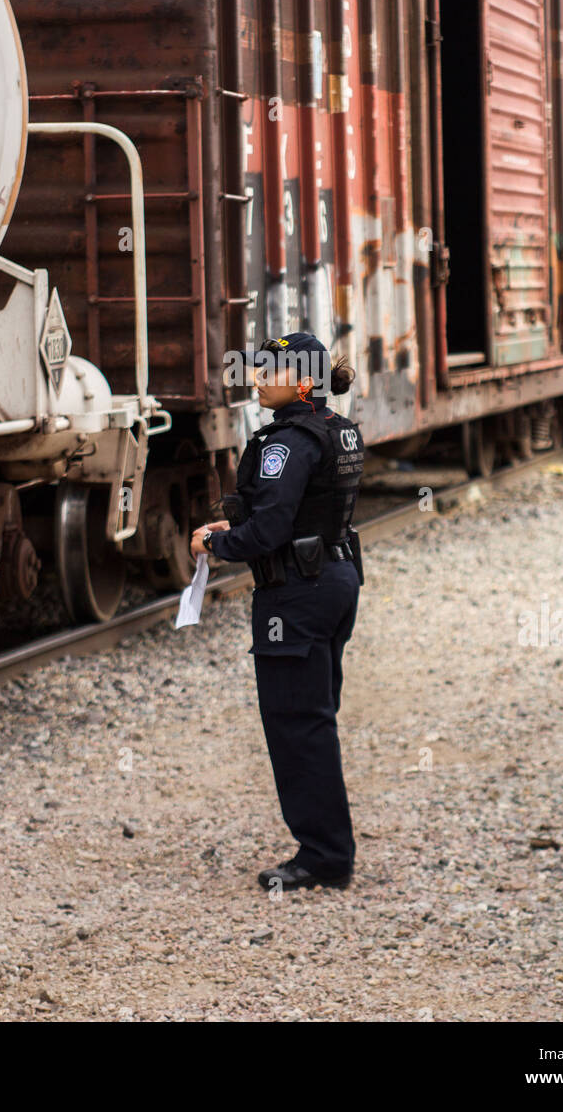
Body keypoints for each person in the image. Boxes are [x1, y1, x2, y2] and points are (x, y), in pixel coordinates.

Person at [190, 332, 365, 892]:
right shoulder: (339, 430)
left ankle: (323, 858)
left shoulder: (283, 444)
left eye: (271, 372)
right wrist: (237, 528)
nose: (259, 380)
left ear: (305, 381)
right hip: (336, 579)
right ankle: (328, 847)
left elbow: (268, 530)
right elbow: (304, 514)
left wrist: (216, 546)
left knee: (296, 726)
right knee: (316, 717)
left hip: (296, 595)